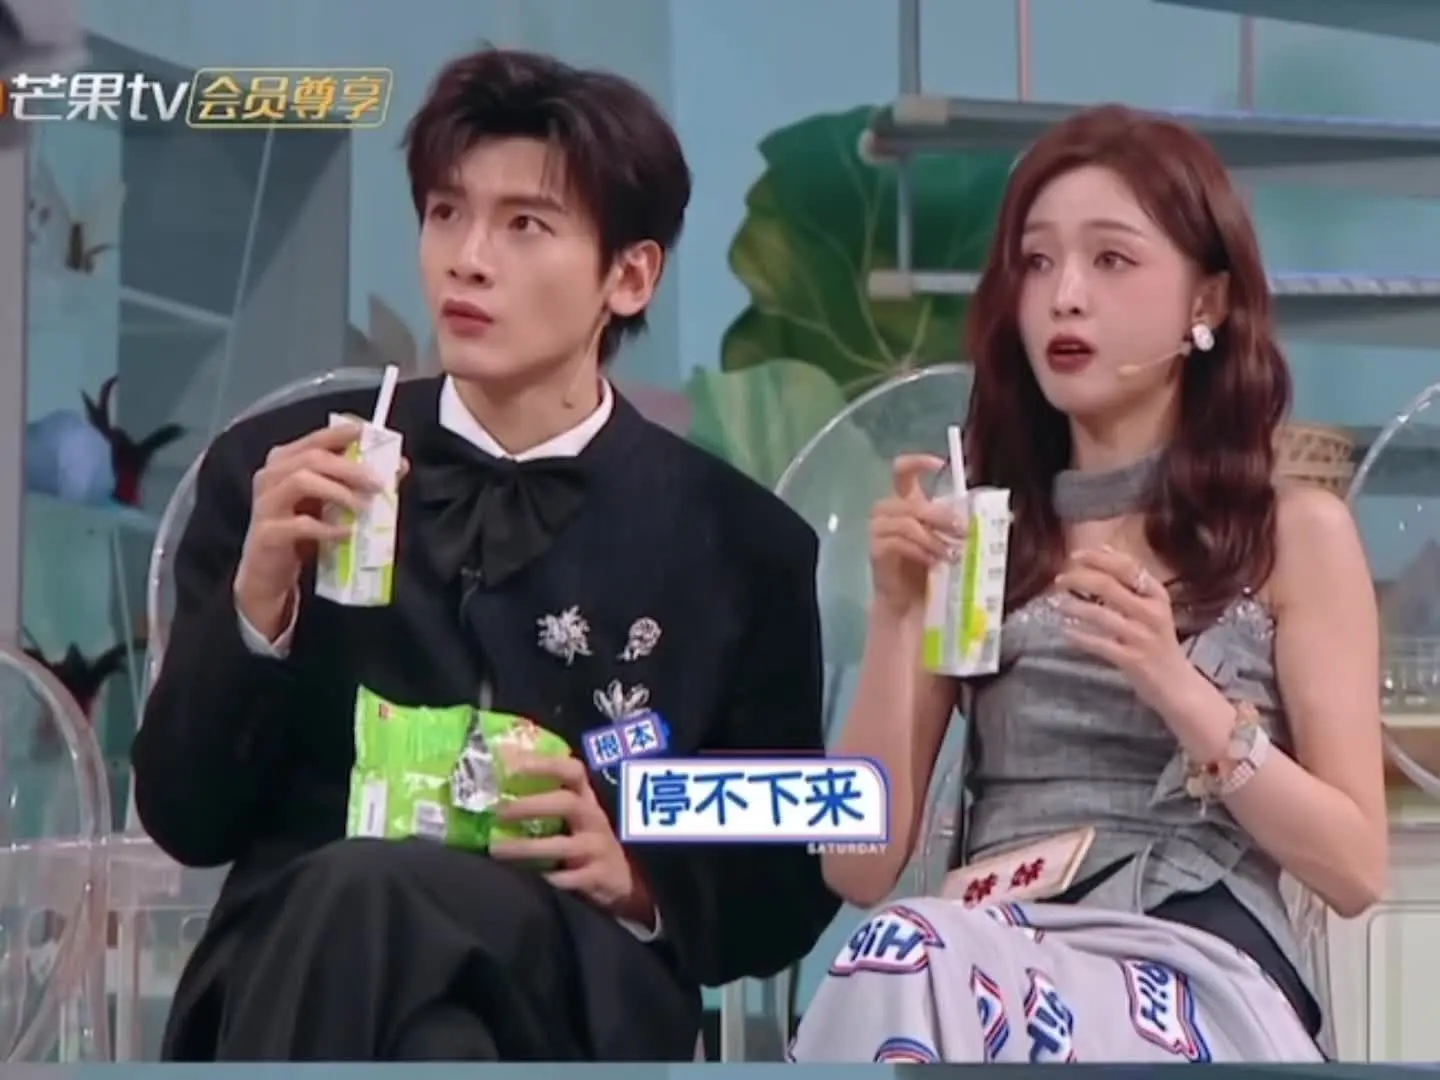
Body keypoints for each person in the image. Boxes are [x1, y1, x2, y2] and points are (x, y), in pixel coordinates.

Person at [132, 47, 839, 1062]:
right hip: (294, 964)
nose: (466, 259)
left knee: (376, 903)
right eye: (445, 213)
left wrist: (644, 879)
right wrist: (257, 607)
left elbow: (781, 890)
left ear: (629, 276)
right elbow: (187, 820)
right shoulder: (279, 473)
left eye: (524, 225)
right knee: (417, 1005)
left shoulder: (739, 546)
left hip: (572, 980)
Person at [789, 105, 1385, 1064]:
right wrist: (901, 611)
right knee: (900, 948)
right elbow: (856, 867)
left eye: (1112, 260)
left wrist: (1181, 691)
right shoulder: (983, 535)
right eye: (1037, 262)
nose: (1065, 296)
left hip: (1192, 969)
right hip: (985, 954)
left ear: (1207, 302)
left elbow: (1353, 869)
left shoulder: (1291, 535)